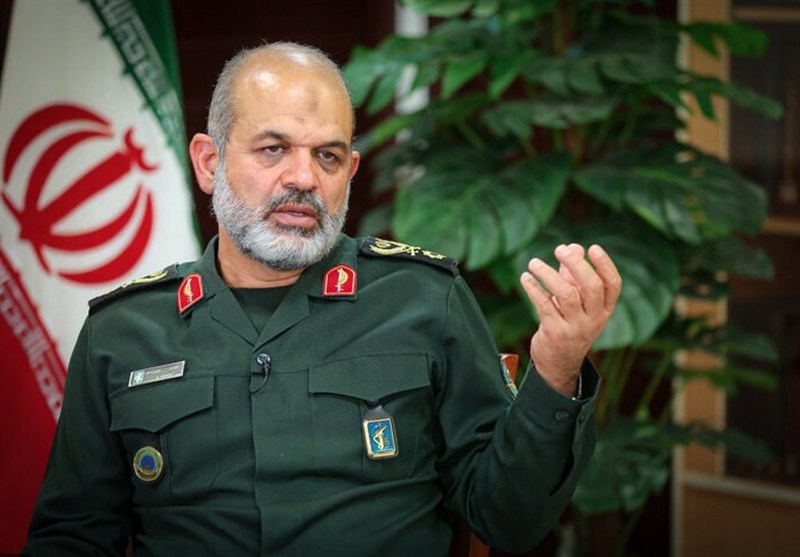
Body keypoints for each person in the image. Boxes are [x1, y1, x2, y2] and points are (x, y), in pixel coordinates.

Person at [24, 42, 622, 556]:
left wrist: (556, 369)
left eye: (327, 156)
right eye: (273, 149)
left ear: (350, 170)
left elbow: (507, 518)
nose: (304, 178)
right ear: (209, 162)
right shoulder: (122, 332)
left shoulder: (423, 300)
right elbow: (74, 535)